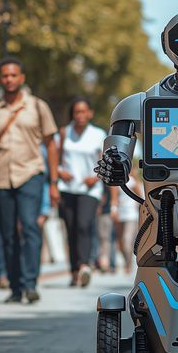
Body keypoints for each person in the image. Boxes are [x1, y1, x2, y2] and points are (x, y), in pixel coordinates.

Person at [0, 58, 59, 304]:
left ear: (21, 78)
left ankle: (30, 283)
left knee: (28, 226)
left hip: (31, 173)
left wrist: (54, 181)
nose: (9, 79)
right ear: (0, 79)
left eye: (13, 75)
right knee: (7, 233)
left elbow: (51, 143)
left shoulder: (37, 106)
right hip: (0, 176)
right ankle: (15, 287)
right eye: (5, 75)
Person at [58, 97, 105, 288]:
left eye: (84, 111)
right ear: (72, 114)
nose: (80, 115)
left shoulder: (98, 134)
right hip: (67, 188)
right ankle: (73, 271)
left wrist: (96, 177)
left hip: (90, 189)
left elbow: (105, 163)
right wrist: (60, 173)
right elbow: (54, 157)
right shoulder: (64, 133)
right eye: (76, 112)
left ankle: (84, 265)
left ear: (90, 113)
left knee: (84, 224)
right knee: (71, 228)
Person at [113, 162, 143, 277]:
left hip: (131, 214)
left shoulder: (132, 182)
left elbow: (141, 198)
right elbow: (114, 197)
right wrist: (114, 209)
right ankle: (126, 260)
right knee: (119, 240)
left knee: (127, 239)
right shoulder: (117, 181)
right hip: (120, 214)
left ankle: (128, 263)